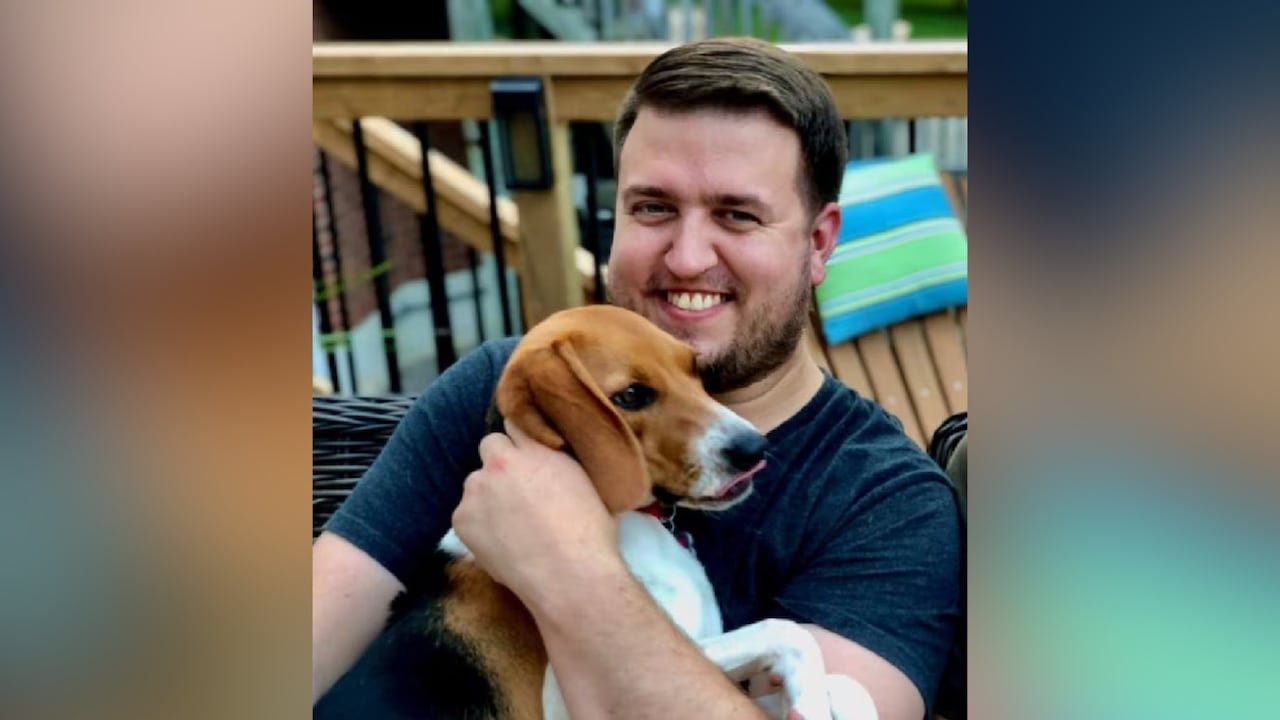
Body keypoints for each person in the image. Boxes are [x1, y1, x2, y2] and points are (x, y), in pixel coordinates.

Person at [313, 37, 961, 720]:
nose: (685, 258)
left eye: (737, 215)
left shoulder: (886, 503)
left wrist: (570, 571)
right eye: (651, 207)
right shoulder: (509, 389)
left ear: (820, 243)